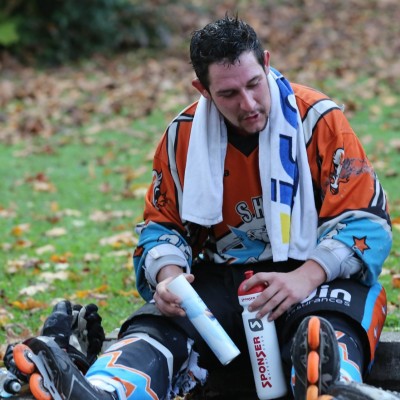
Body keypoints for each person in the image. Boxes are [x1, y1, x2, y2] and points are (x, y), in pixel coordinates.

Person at [7, 15, 396, 400]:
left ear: (266, 63)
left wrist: (305, 278)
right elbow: (162, 228)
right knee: (158, 326)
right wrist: (169, 279)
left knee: (326, 327)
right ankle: (103, 391)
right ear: (203, 89)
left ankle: (336, 389)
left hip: (316, 278)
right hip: (223, 282)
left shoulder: (319, 120)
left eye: (254, 84)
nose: (248, 104)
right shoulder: (183, 135)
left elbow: (367, 222)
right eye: (229, 94)